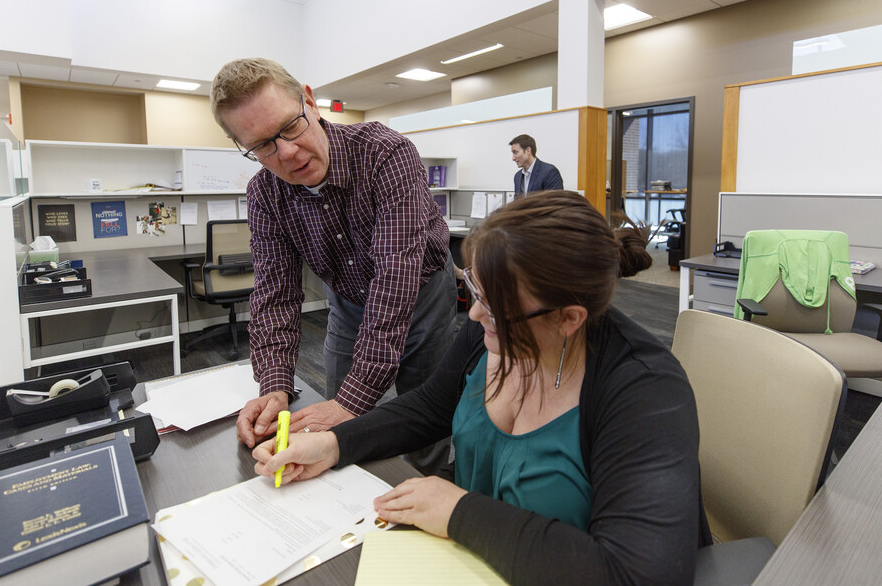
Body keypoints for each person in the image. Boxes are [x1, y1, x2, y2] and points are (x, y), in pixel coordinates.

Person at [254, 190, 710, 585]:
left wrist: (460, 512)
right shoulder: (495, 325)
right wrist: (333, 444)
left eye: (494, 308)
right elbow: (430, 407)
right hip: (476, 560)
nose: (473, 316)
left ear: (569, 318)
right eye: (476, 291)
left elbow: (636, 575)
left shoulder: (645, 390)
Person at [210, 58, 458, 460]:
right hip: (346, 298)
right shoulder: (264, 194)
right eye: (262, 146)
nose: (287, 153)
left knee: (423, 411)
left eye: (290, 127)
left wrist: (351, 403)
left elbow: (395, 278)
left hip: (423, 291)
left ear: (310, 101)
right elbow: (275, 293)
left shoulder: (386, 154)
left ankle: (425, 484)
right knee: (339, 420)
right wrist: (274, 386)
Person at [510, 133, 563, 199]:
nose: (513, 158)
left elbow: (555, 204)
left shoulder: (550, 172)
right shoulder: (517, 176)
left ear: (528, 150)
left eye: (515, 152)